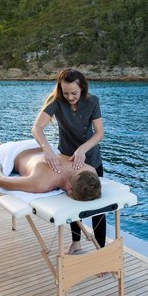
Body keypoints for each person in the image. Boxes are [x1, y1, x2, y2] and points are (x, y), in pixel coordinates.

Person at [31, 68, 105, 255]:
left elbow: (99, 133)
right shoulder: (56, 102)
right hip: (67, 161)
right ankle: (76, 243)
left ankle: (101, 251)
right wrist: (46, 148)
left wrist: (82, 149)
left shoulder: (92, 102)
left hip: (91, 158)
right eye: (66, 93)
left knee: (98, 209)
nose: (70, 97)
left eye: (74, 93)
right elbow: (37, 128)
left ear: (82, 89)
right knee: (74, 203)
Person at [0, 147, 101, 201]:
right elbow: (0, 180)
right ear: (70, 190)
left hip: (40, 147)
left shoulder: (90, 170)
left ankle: (0, 146)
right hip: (13, 153)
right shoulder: (42, 183)